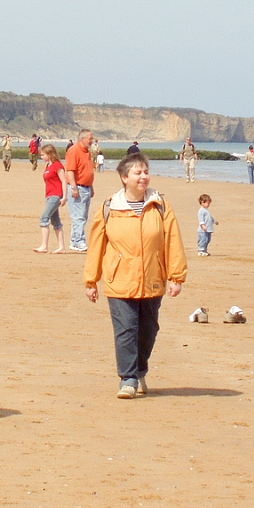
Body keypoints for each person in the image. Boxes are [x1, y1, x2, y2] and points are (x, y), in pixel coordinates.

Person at [84, 152, 187, 399]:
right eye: (137, 173)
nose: (143, 177)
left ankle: (140, 370)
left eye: (145, 172)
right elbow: (96, 244)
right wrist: (91, 280)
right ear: (124, 177)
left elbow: (173, 240)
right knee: (126, 330)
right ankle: (127, 379)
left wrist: (176, 276)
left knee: (148, 329)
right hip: (119, 279)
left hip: (152, 277)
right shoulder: (109, 208)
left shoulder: (160, 205)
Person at [65, 129, 95, 252]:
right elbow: (70, 170)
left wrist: (91, 186)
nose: (92, 141)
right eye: (90, 139)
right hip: (78, 187)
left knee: (82, 216)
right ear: (83, 139)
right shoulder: (74, 151)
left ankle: (74, 240)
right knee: (78, 217)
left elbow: (87, 170)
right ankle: (78, 241)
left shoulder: (87, 152)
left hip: (86, 187)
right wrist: (73, 187)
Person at [33, 144, 67, 254]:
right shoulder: (48, 166)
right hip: (49, 195)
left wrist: (64, 197)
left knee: (44, 218)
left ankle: (44, 246)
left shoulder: (58, 166)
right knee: (55, 221)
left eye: (43, 155)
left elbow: (64, 181)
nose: (41, 157)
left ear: (49, 154)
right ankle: (61, 247)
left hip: (56, 195)